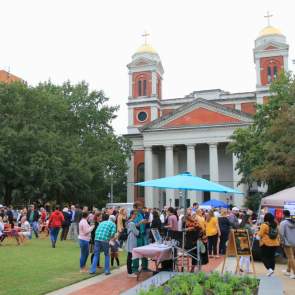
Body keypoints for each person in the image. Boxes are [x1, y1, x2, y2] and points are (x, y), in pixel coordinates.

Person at [279, 210, 295, 279]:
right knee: (291, 257)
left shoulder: (283, 223)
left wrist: (282, 242)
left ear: (283, 215)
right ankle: (288, 271)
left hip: (287, 242)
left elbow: (281, 233)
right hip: (294, 242)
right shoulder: (293, 222)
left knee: (290, 257)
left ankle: (294, 273)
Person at [126, 210, 139, 277]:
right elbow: (136, 232)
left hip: (130, 238)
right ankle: (129, 272)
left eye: (136, 215)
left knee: (130, 255)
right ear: (131, 215)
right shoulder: (131, 223)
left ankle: (129, 272)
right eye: (135, 214)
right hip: (132, 239)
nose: (136, 216)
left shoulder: (129, 222)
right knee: (130, 256)